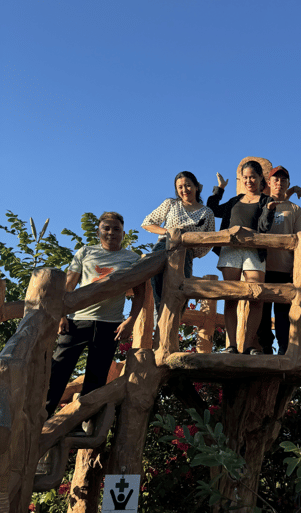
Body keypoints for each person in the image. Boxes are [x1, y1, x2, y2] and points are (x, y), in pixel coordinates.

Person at [45, 212, 145, 421]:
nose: (111, 233)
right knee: (58, 371)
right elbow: (69, 285)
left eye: (116, 229)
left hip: (110, 325)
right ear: (99, 231)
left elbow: (140, 294)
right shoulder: (86, 252)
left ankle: (85, 423)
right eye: (106, 228)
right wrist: (61, 315)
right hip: (77, 320)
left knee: (97, 377)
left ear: (123, 233)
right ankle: (40, 419)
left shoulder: (132, 259)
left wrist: (131, 320)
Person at [207, 160, 276, 355]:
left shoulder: (265, 201)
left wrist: (269, 212)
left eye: (252, 176)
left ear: (261, 177)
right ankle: (231, 345)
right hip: (231, 250)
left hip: (254, 250)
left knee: (256, 296)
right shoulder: (234, 201)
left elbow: (263, 228)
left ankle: (248, 344)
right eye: (245, 177)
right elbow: (212, 210)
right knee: (231, 296)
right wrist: (219, 189)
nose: (249, 181)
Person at [142, 171, 215, 312]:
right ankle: (160, 322)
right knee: (157, 284)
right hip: (163, 246)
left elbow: (208, 241)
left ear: (196, 187)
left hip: (186, 251)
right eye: (180, 187)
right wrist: (168, 232)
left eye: (188, 185)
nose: (184, 190)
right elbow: (147, 223)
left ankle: (173, 327)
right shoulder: (171, 204)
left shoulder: (207, 212)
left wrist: (192, 251)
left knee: (181, 291)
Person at [255, 166, 301, 355]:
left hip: (285, 267)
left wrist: (297, 268)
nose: (279, 183)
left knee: (283, 313)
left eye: (283, 180)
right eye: (275, 180)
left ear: (288, 184)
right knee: (261, 309)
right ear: (268, 183)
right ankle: (265, 347)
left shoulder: (295, 209)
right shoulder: (260, 203)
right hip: (260, 266)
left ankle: (284, 348)